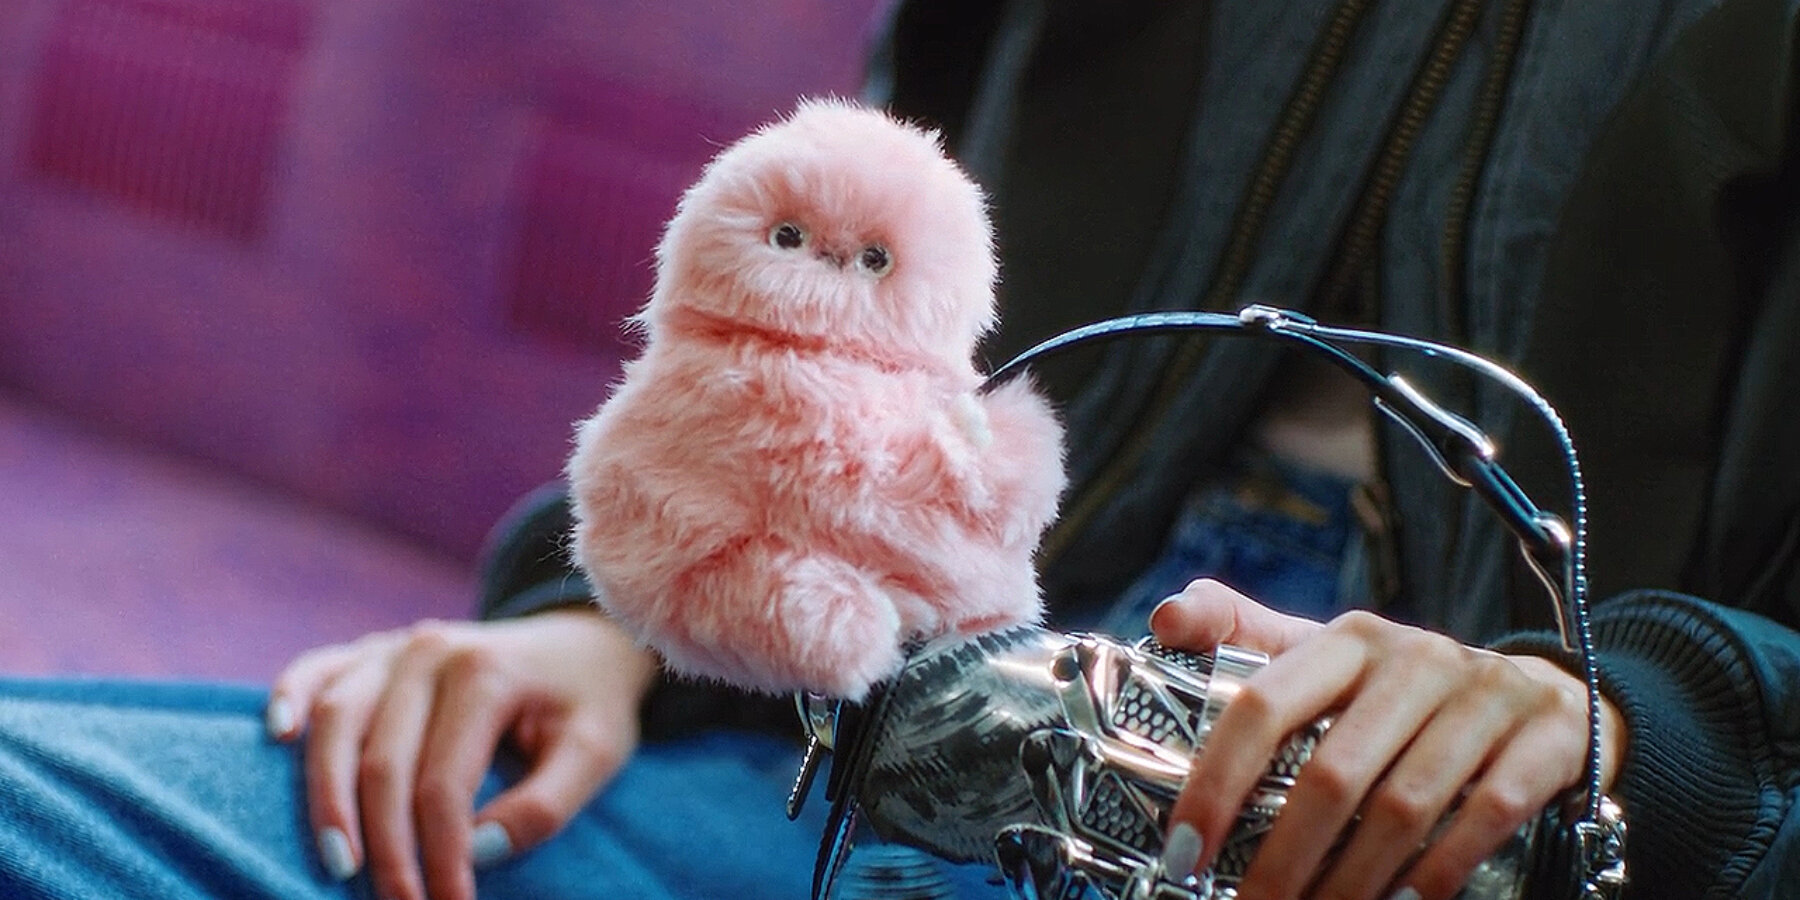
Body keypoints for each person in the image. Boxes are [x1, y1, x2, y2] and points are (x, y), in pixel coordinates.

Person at [5, 1, 1799, 899]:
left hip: (1450, 832)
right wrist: (621, 610)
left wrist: (1639, 723)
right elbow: (844, 289)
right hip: (861, 717)